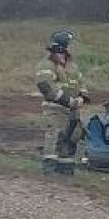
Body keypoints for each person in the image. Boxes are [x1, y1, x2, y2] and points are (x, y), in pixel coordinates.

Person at [35, 31, 89, 177]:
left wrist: (82, 97)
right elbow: (46, 86)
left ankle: (66, 171)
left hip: (72, 112)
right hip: (55, 109)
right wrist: (68, 101)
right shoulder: (47, 64)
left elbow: (81, 83)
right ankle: (50, 171)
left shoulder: (72, 66)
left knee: (72, 139)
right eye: (70, 45)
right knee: (55, 137)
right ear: (62, 46)